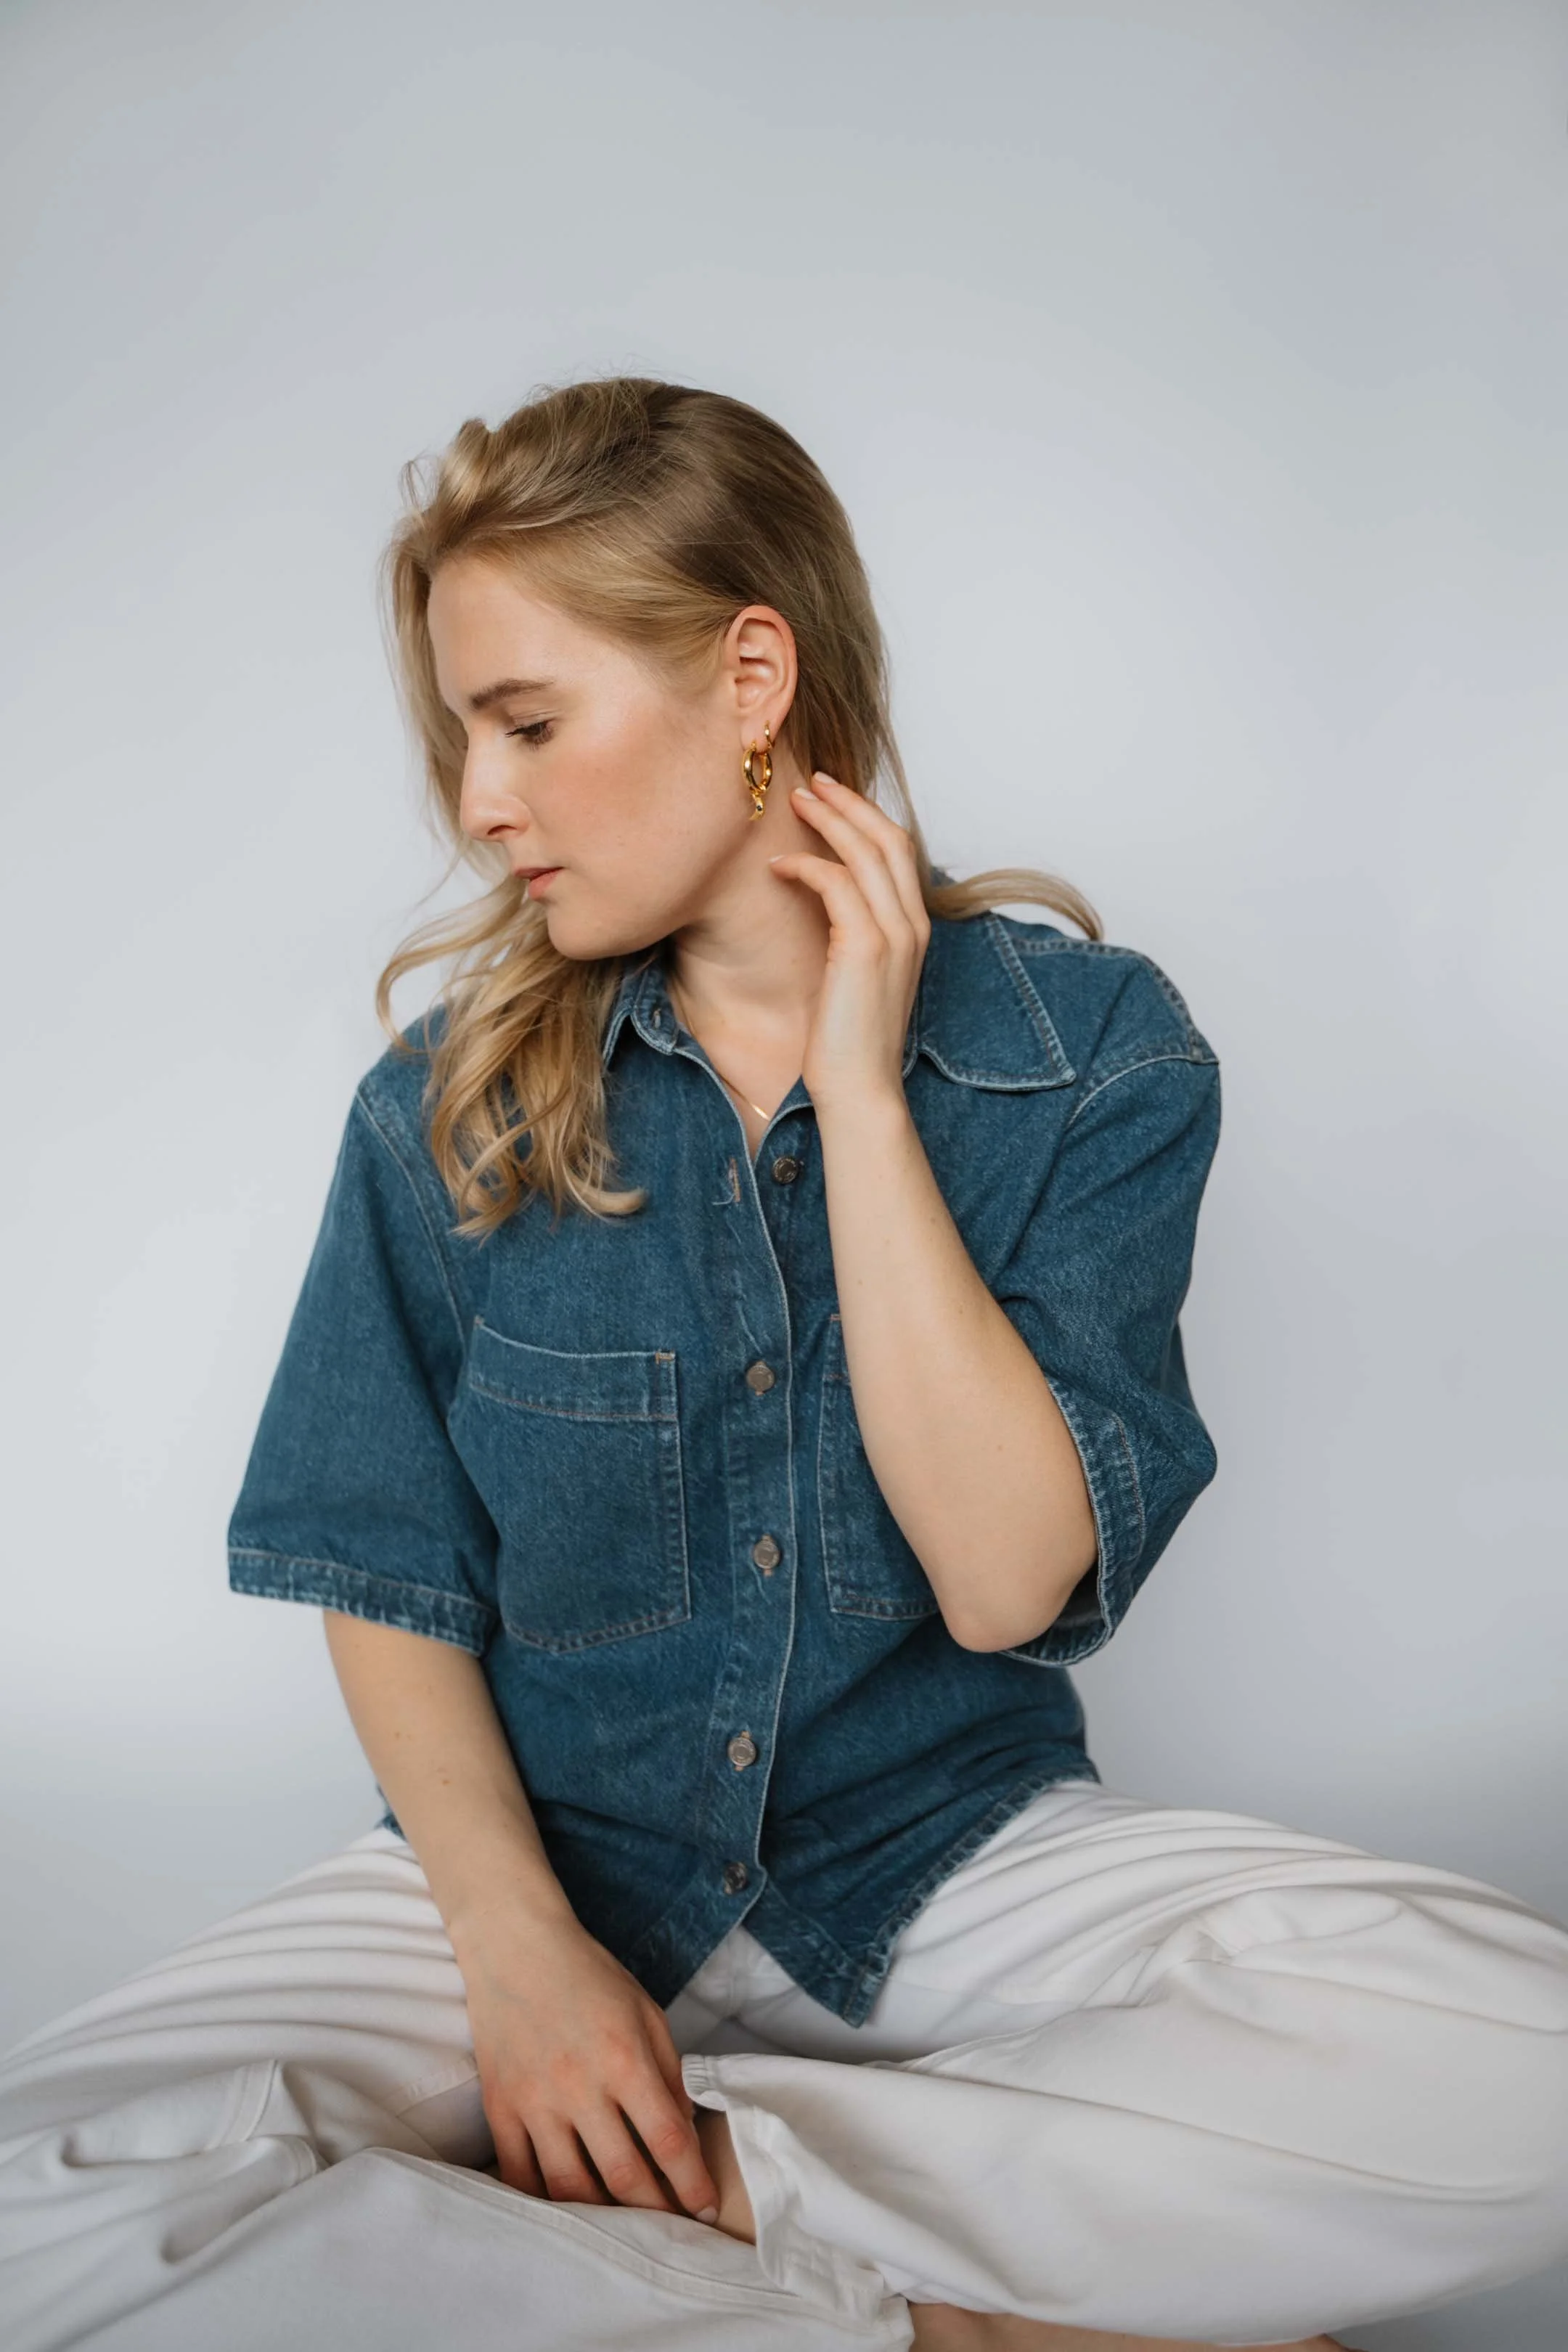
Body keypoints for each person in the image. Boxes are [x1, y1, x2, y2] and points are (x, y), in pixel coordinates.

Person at [1, 377, 1565, 2352]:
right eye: (463, 737)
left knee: (1524, 2048)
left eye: (529, 721)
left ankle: (685, 2204)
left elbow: (1007, 1581)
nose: (480, 804)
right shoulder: (448, 1109)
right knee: (30, 2209)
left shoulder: (1088, 1052)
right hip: (536, 1872)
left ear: (753, 675)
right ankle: (965, 2320)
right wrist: (515, 1959)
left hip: (934, 1865)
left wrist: (864, 1101)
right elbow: (376, 1565)